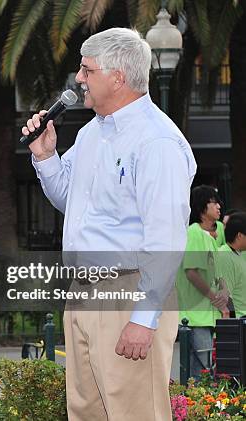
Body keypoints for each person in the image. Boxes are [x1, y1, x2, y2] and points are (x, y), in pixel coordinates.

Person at [22, 28, 196, 420]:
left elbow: (166, 237)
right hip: (83, 292)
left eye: (87, 70)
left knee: (135, 413)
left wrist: (143, 319)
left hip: (128, 290)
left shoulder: (157, 142)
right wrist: (46, 157)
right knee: (86, 413)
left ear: (117, 78)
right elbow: (72, 200)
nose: (78, 79)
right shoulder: (91, 134)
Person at [176, 185, 229, 379]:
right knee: (205, 369)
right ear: (201, 208)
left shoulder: (209, 237)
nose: (218, 206)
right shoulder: (194, 233)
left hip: (206, 314)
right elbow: (191, 272)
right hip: (195, 314)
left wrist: (224, 290)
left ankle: (192, 408)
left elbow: (216, 271)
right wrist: (216, 298)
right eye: (213, 201)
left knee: (200, 371)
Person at [216, 212, 246, 318]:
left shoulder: (241, 253)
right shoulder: (224, 256)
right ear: (239, 236)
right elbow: (225, 296)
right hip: (239, 322)